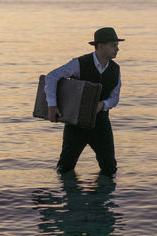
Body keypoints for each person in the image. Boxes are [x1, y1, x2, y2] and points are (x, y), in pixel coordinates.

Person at [44, 27, 124, 177]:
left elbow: (115, 97)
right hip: (76, 124)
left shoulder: (116, 69)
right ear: (100, 46)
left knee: (110, 168)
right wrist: (52, 105)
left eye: (117, 45)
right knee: (65, 167)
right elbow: (51, 77)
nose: (117, 49)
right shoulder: (78, 64)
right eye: (113, 45)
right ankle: (68, 197)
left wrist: (103, 105)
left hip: (101, 123)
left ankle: (103, 198)